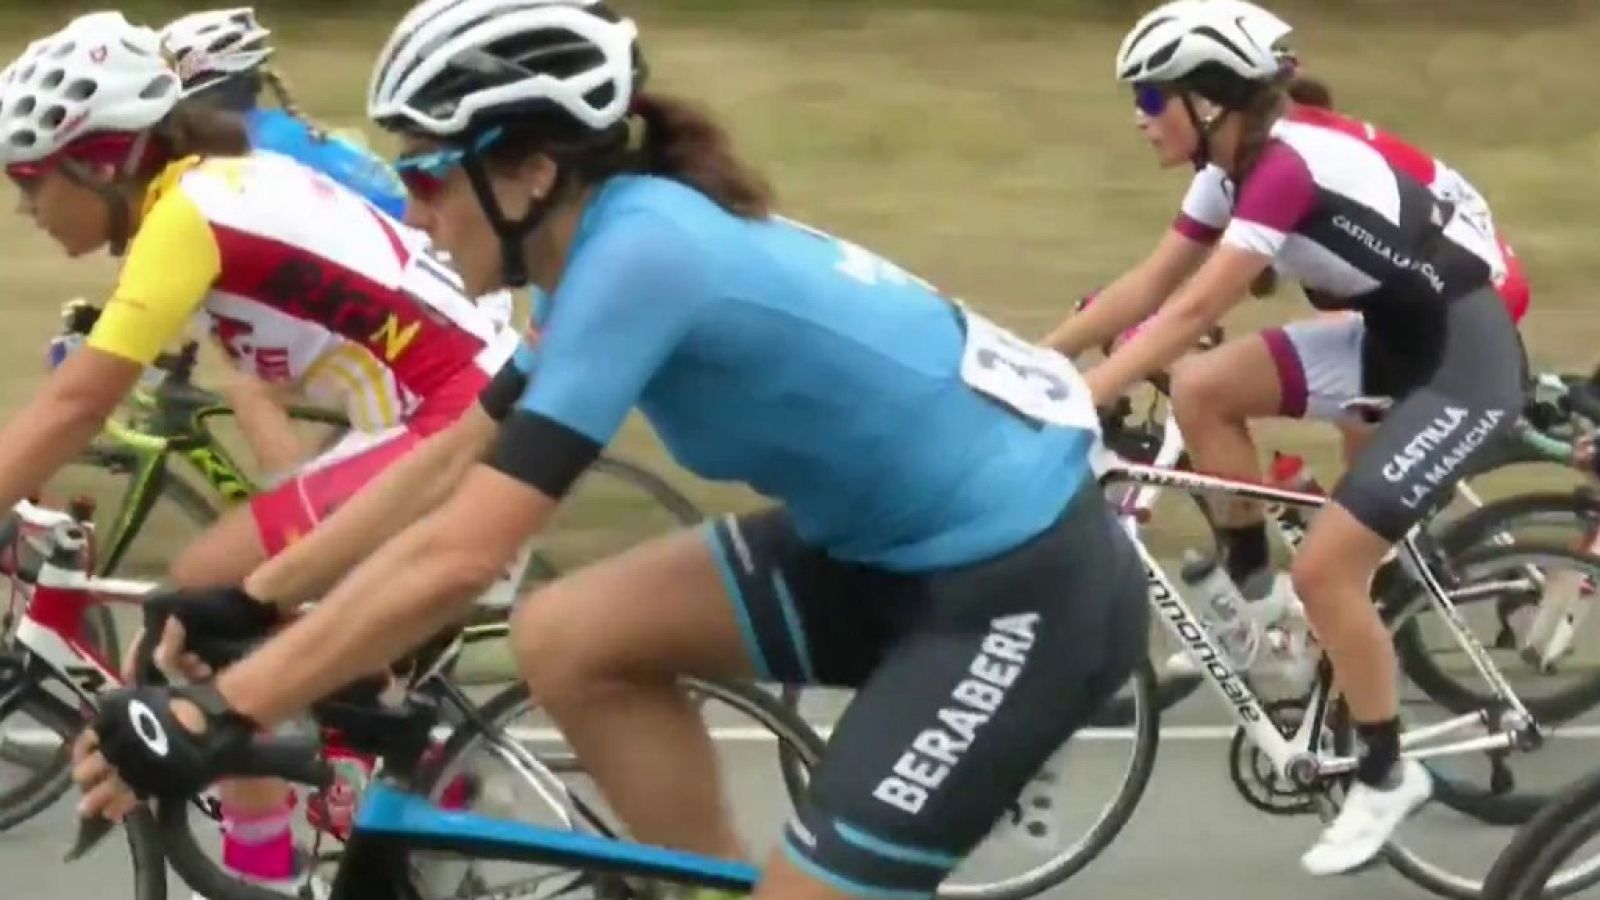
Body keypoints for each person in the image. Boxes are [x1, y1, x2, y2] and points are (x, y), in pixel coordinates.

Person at [70, 2, 1149, 898]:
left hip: (1019, 590)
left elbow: (460, 554)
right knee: (568, 634)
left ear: (530, 170)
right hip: (884, 547)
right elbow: (451, 460)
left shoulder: (643, 257)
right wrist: (253, 600)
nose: (413, 203)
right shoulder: (584, 259)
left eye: (433, 173)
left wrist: (225, 707)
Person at [0, 10, 515, 894]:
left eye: (33, 179)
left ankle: (302, 858)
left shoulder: (189, 216)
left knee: (200, 607)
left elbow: (79, 404)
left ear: (103, 159)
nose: (24, 206)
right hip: (446, 413)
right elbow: (81, 389)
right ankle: (402, 792)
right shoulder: (208, 197)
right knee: (223, 632)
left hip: (458, 425)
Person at [1055, 0, 1525, 876]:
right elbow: (1144, 286)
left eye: (1150, 97)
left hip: (1461, 364)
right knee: (1202, 387)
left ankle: (1387, 774)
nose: (1138, 116)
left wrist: (1080, 399)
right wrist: (1028, 366)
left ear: (1206, 99)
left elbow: (1194, 306)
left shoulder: (1285, 170)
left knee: (1331, 569)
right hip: (1386, 340)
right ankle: (1257, 600)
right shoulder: (1227, 167)